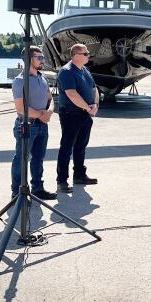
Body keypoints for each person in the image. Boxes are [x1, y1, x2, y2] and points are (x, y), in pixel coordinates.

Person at [10, 46, 57, 200]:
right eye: (39, 57)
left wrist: (49, 112)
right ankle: (16, 192)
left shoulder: (41, 77)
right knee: (21, 159)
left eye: (43, 57)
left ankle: (38, 188)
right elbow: (20, 107)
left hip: (42, 125)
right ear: (29, 59)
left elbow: (50, 99)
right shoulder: (20, 81)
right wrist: (41, 115)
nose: (42, 60)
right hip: (27, 125)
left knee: (38, 158)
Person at [56, 43, 100, 193]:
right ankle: (62, 180)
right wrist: (88, 108)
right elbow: (71, 94)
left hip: (85, 114)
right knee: (67, 147)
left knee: (81, 146)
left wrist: (94, 105)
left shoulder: (85, 70)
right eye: (85, 53)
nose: (88, 55)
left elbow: (94, 88)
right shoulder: (67, 71)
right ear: (75, 56)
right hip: (71, 114)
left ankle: (79, 175)